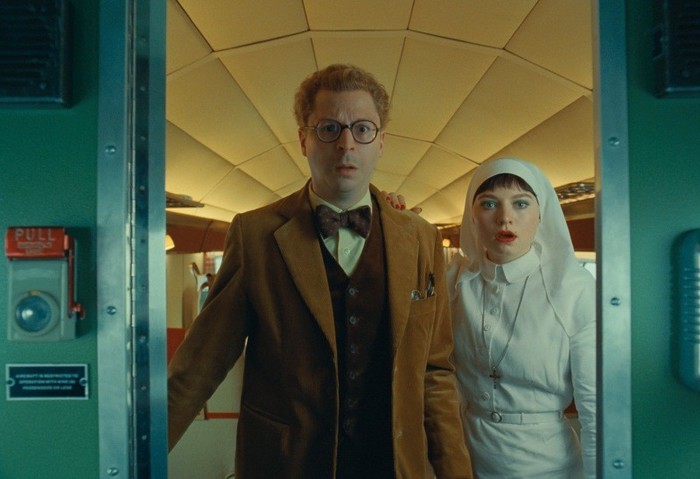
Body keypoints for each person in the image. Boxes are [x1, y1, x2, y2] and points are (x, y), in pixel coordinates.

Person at [167, 63, 473, 478]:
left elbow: (434, 374)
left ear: (381, 142)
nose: (347, 145)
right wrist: (131, 455)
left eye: (362, 129)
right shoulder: (255, 235)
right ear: (303, 139)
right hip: (287, 464)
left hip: (392, 465)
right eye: (329, 129)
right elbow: (199, 365)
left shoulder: (421, 238)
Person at [386, 157, 596, 478]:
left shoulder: (572, 289)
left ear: (541, 214)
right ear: (471, 216)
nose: (504, 218)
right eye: (489, 204)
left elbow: (596, 410)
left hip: (550, 468)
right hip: (464, 463)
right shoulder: (454, 280)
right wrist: (389, 230)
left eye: (520, 204)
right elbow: (398, 324)